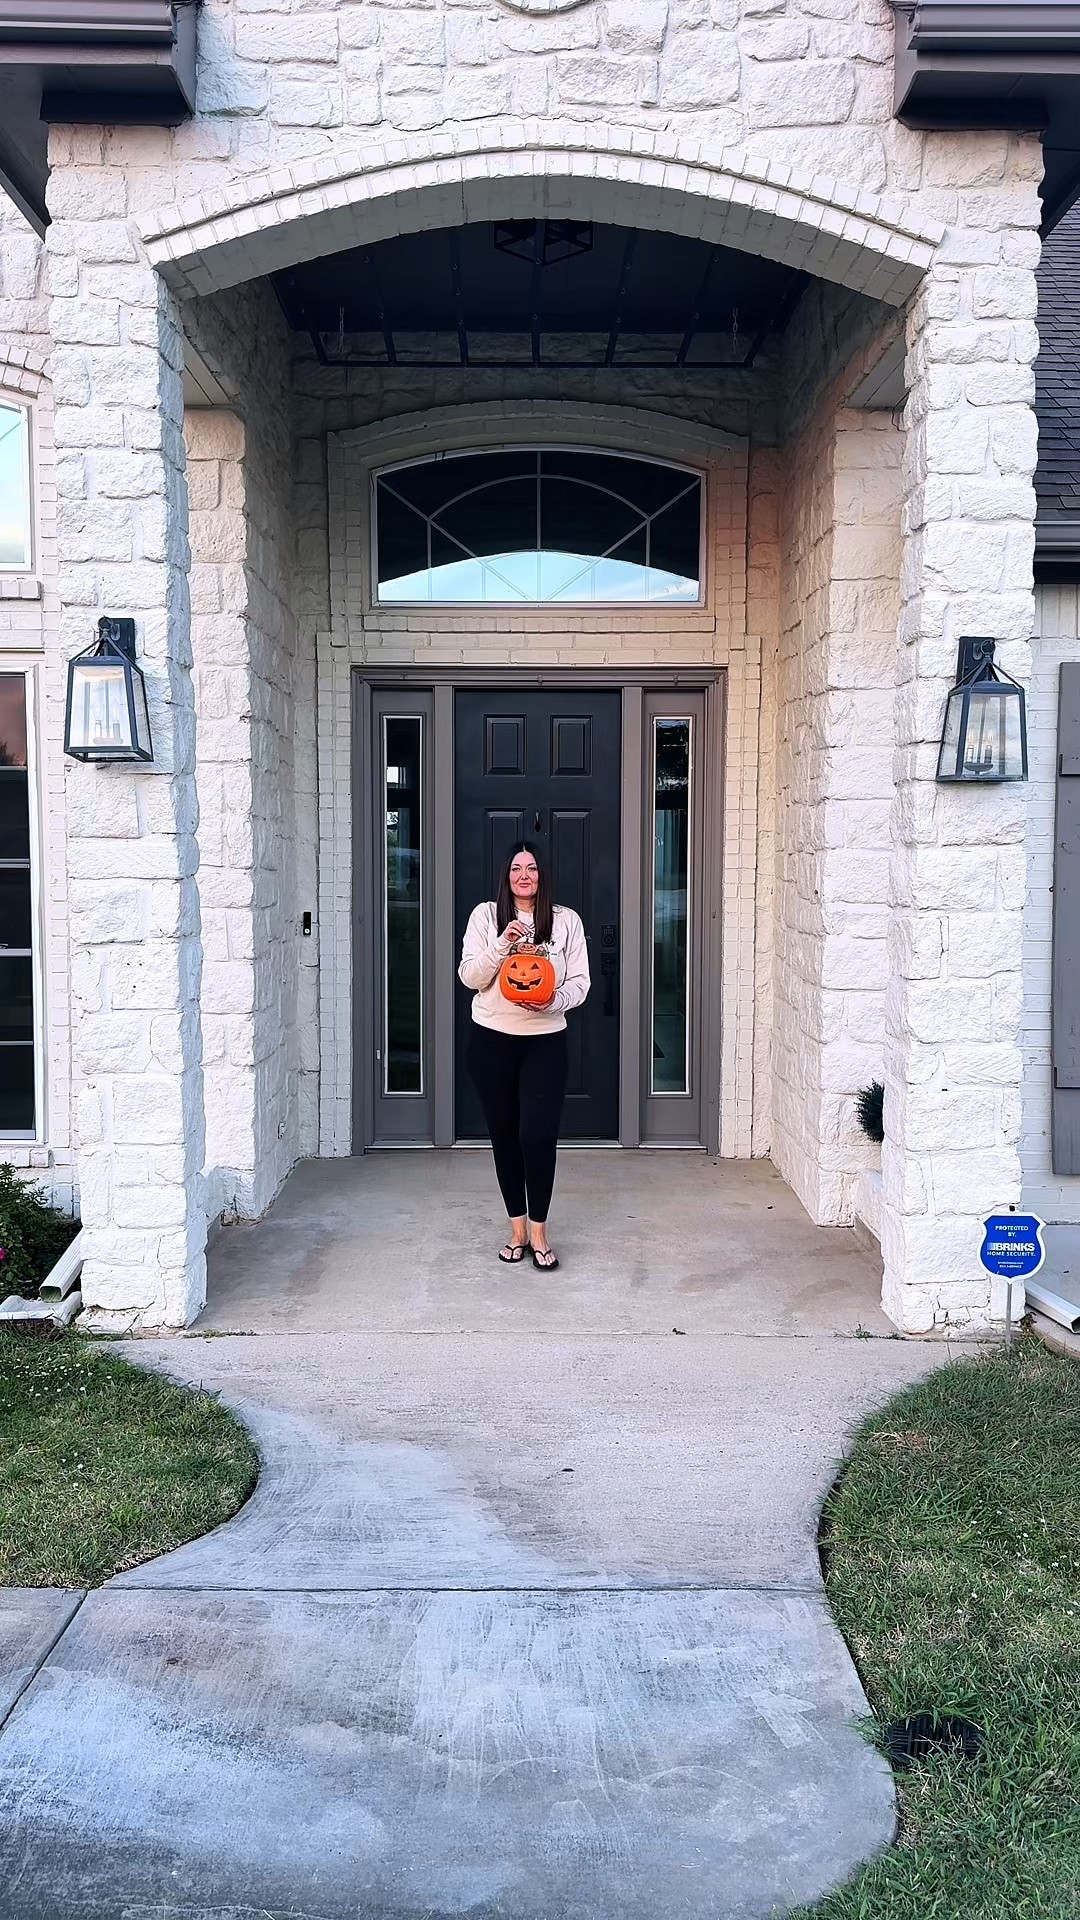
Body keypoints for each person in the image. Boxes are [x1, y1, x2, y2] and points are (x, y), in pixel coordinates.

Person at [458, 843, 590, 1269]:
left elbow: (581, 983)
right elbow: (470, 977)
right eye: (516, 868)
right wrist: (502, 945)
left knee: (537, 1137)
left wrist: (552, 1001)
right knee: (505, 1137)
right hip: (491, 1041)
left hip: (545, 1042)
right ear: (507, 875)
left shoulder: (566, 921)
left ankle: (539, 1231)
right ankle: (517, 1230)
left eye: (531, 867)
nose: (524, 875)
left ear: (542, 874)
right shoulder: (485, 917)